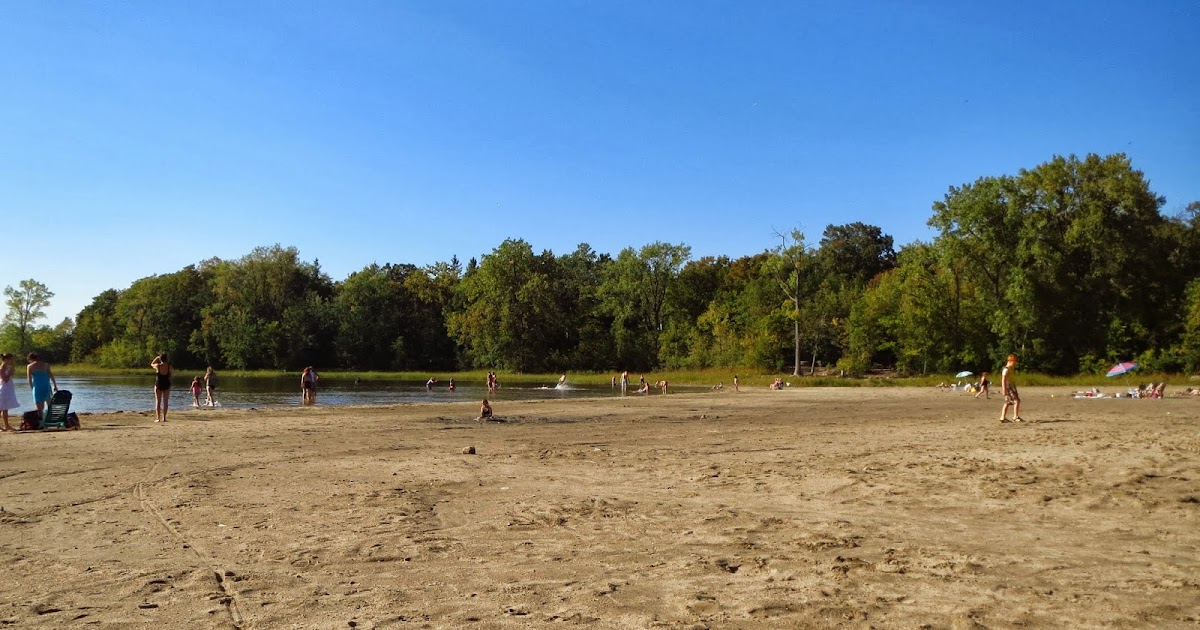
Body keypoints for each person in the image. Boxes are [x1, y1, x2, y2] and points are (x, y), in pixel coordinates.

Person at [26, 353, 58, 419]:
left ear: (31, 359)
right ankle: (50, 418)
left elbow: (29, 378)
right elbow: (51, 375)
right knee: (49, 403)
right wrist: (55, 385)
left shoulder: (30, 366)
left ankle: (41, 420)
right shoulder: (46, 365)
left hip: (37, 386)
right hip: (46, 386)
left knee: (39, 406)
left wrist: (32, 388)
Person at [1000, 354, 1022, 422]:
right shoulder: (1006, 369)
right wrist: (1004, 390)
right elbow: (1003, 380)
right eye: (1014, 362)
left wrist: (1014, 387)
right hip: (1008, 387)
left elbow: (1012, 379)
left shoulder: (1011, 369)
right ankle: (1015, 416)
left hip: (1012, 387)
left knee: (1008, 402)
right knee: (1017, 401)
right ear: (1009, 361)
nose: (1015, 363)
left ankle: (1002, 417)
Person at [0, 353, 20, 431]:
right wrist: (10, 373)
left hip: (8, 388)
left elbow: (10, 378)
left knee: (5, 408)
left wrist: (11, 372)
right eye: (10, 359)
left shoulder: (8, 367)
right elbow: (5, 380)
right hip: (3, 389)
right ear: (6, 359)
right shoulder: (2, 368)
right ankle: (6, 425)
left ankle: (6, 425)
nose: (11, 361)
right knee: (3, 408)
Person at [151, 353, 172, 422]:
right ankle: (164, 418)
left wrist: (157, 358)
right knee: (166, 402)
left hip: (159, 383)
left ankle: (158, 418)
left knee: (158, 401)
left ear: (160, 359)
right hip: (167, 383)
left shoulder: (158, 366)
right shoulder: (169, 366)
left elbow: (152, 364)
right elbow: (171, 374)